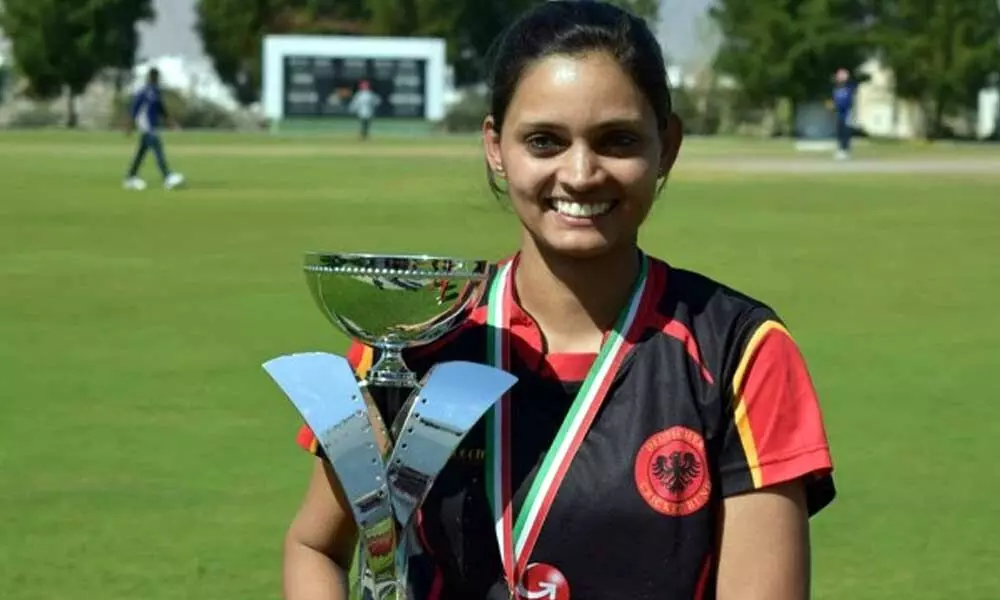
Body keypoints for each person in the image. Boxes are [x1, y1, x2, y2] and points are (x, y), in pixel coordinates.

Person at [282, 2, 836, 599]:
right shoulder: (417, 338)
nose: (579, 173)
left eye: (617, 140)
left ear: (666, 146)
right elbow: (314, 545)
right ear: (496, 146)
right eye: (544, 141)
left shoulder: (738, 351)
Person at [123, 67, 185, 190]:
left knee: (142, 152)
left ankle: (130, 177)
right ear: (151, 77)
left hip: (152, 125)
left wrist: (169, 122)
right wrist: (129, 125)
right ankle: (167, 177)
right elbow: (135, 108)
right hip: (146, 126)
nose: (156, 79)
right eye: (155, 77)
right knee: (157, 149)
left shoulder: (156, 91)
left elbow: (161, 108)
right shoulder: (144, 92)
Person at [830, 68, 858, 160]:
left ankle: (845, 150)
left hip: (847, 113)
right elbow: (835, 101)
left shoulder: (849, 88)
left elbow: (848, 101)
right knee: (839, 131)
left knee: (846, 131)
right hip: (838, 113)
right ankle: (840, 149)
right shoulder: (836, 89)